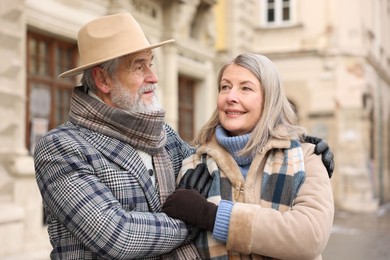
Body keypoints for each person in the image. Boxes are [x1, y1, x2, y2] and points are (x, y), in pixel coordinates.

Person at [34, 12, 205, 259]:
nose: (153, 77)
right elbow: (118, 236)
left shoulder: (164, 134)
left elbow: (208, 182)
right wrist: (197, 219)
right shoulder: (60, 146)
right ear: (102, 79)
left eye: (151, 63)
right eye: (138, 66)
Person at [162, 53, 334, 260]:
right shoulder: (195, 164)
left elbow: (310, 237)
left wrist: (212, 216)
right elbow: (180, 248)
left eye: (245, 88)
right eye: (225, 87)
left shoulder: (307, 157)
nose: (231, 97)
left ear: (269, 99)